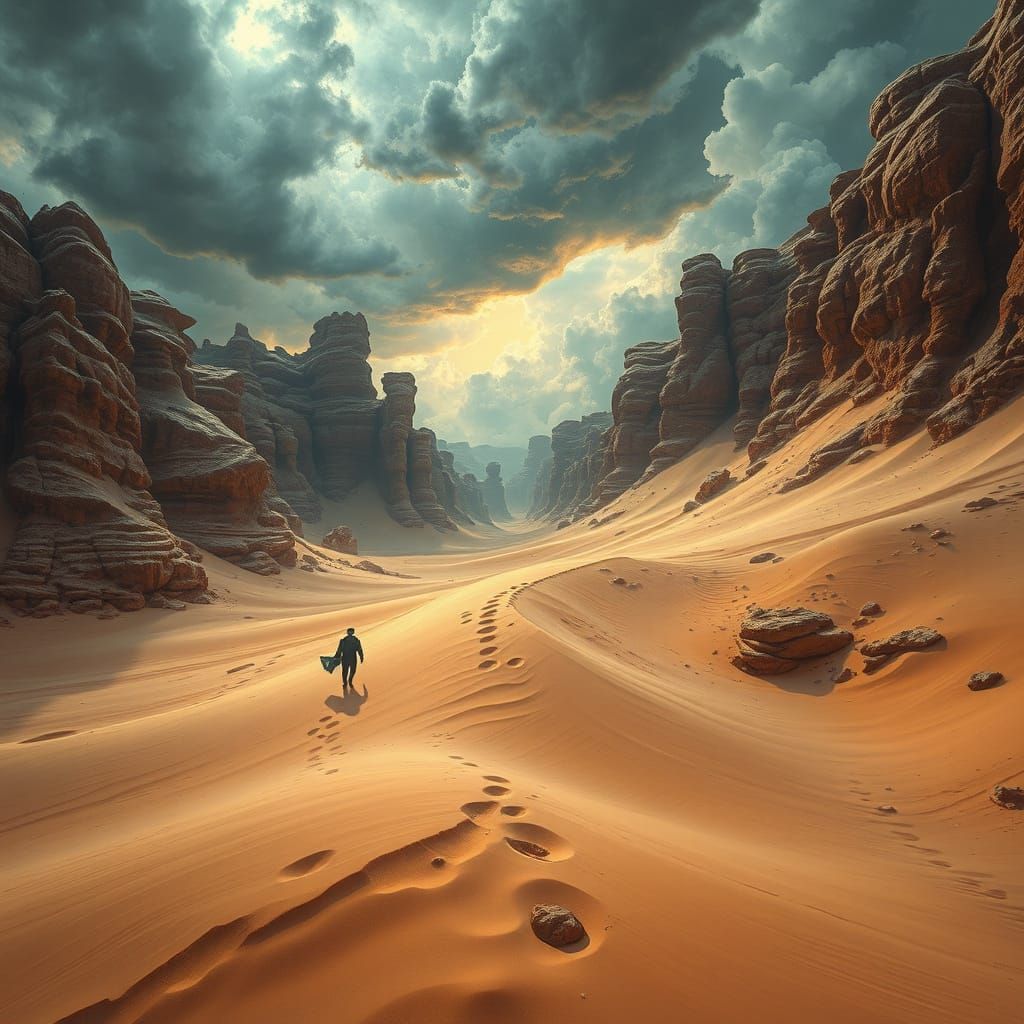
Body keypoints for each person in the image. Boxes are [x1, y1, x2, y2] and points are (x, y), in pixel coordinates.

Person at [335, 627, 364, 693]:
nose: (350, 633)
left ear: (353, 632)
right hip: (346, 658)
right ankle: (345, 683)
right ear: (348, 633)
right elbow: (339, 650)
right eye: (349, 632)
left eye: (351, 632)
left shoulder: (356, 640)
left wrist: (361, 656)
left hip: (352, 658)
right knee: (345, 672)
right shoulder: (343, 641)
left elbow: (359, 649)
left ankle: (349, 681)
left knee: (352, 671)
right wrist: (336, 657)